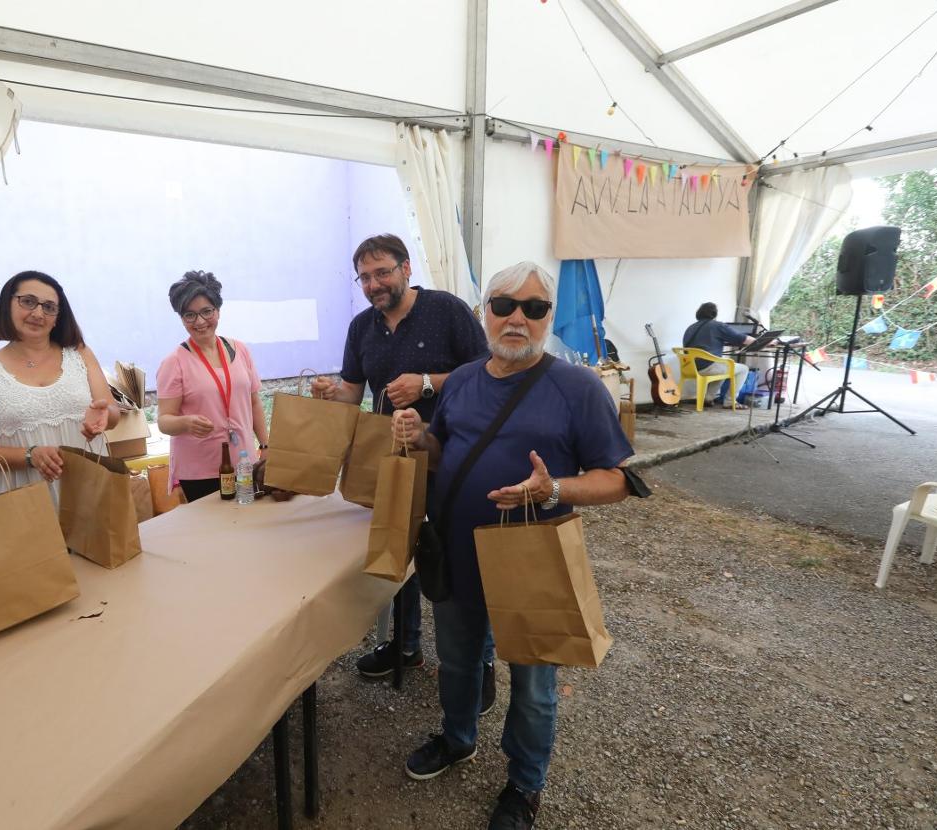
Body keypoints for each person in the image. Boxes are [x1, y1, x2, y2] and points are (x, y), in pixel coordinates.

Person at [391, 262, 632, 830]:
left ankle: (525, 784)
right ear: (484, 313)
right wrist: (418, 436)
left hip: (532, 561)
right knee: (456, 659)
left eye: (534, 308)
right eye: (503, 305)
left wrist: (556, 488)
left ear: (548, 319)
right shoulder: (465, 379)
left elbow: (621, 479)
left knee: (532, 686)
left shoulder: (578, 388)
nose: (517, 318)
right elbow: (443, 448)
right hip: (457, 548)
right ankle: (458, 737)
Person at [311, 233, 497, 709]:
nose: (374, 284)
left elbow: (489, 373)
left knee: (464, 556)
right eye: (366, 277)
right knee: (401, 546)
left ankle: (483, 661)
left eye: (383, 272)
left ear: (407, 268)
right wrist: (333, 394)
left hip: (455, 457)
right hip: (394, 459)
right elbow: (355, 392)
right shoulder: (361, 328)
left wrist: (428, 384)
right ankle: (407, 645)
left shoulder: (448, 311)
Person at [0, 271, 125, 497]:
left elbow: (112, 412)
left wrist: (107, 414)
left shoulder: (80, 354)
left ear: (58, 316)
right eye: (28, 302)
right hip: (27, 501)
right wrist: (30, 455)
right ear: (7, 304)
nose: (38, 313)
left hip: (91, 491)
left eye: (49, 307)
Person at [156, 270, 268, 502]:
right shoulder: (174, 362)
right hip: (199, 471)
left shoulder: (240, 350)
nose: (200, 322)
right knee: (210, 535)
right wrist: (185, 422)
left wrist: (266, 445)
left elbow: (254, 401)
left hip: (244, 462)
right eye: (190, 315)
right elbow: (164, 421)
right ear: (181, 317)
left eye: (207, 311)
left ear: (218, 310)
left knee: (248, 529)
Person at [682, 302, 755, 406]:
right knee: (743, 369)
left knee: (723, 366)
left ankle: (708, 398)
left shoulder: (691, 328)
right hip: (707, 367)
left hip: (689, 367)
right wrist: (767, 341)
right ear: (714, 313)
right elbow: (742, 338)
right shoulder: (717, 325)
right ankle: (730, 401)